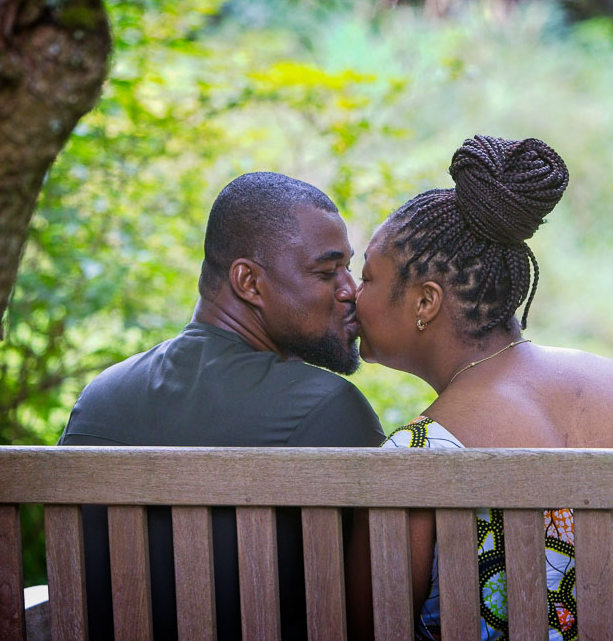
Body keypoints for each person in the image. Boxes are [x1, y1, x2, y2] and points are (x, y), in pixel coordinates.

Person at [346, 136, 613, 639]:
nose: (353, 296)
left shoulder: (416, 456)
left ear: (426, 302)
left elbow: (360, 628)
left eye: (368, 278)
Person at [59, 172, 386, 640]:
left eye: (349, 269)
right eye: (326, 272)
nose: (350, 290)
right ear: (248, 282)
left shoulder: (99, 398)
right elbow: (375, 611)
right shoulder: (326, 409)